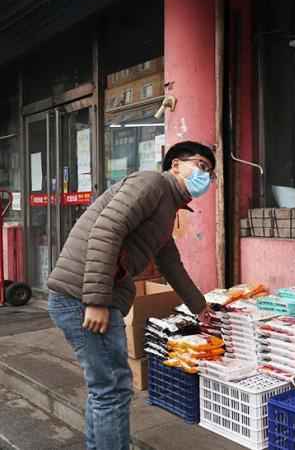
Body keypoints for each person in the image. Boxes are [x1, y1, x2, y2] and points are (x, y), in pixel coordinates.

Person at [46, 141, 217, 450]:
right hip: (83, 297)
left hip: (88, 295)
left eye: (210, 173)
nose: (205, 176)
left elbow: (170, 263)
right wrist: (97, 300)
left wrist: (199, 306)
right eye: (201, 166)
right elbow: (106, 230)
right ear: (175, 165)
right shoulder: (151, 183)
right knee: (112, 389)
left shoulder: (167, 208)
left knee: (105, 388)